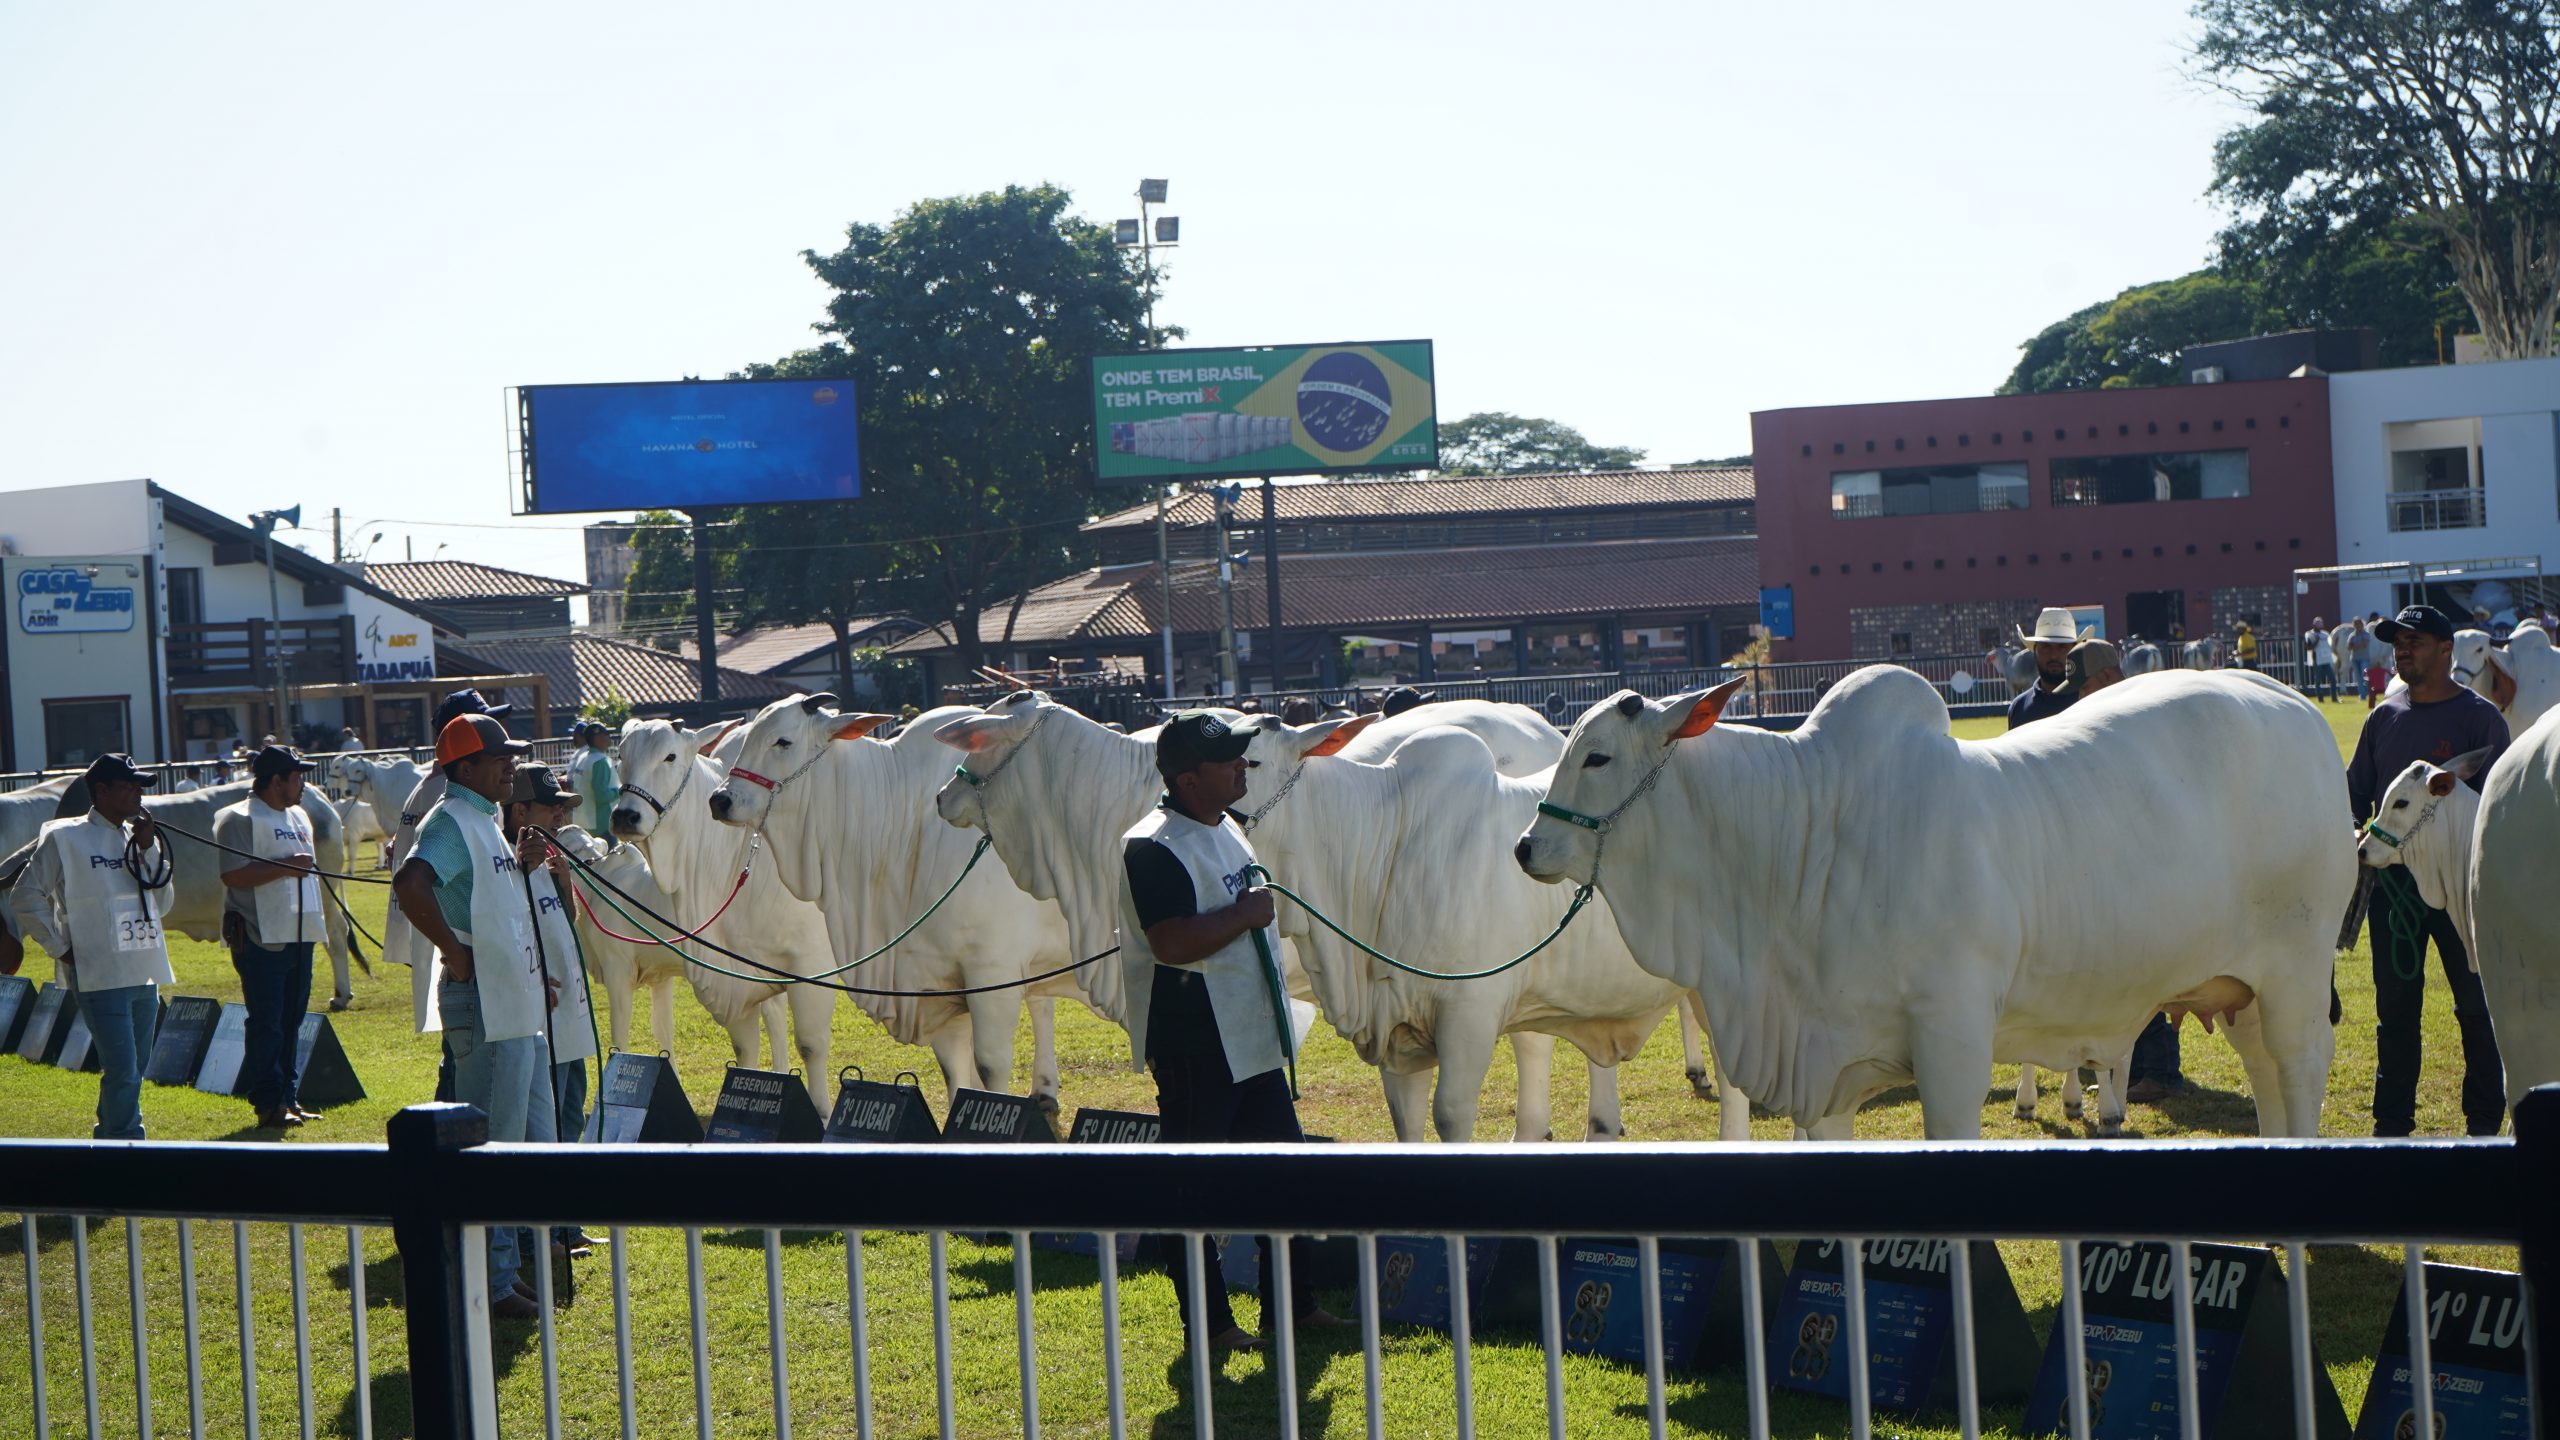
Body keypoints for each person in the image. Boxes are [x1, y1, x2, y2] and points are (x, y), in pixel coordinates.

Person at [1117, 712, 1347, 1350]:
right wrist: (1246, 914)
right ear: (1188, 779)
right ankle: (1212, 1326)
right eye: (1228, 761)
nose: (1243, 766)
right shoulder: (1152, 844)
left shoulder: (1227, 825)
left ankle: (1292, 1309)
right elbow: (1169, 943)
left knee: (1284, 1177)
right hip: (1195, 1044)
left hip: (1250, 1037)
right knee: (1191, 1190)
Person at [393, 712, 557, 1318]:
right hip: (483, 997)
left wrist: (522, 866)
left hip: (508, 995)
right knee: (490, 1141)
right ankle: (490, 1282)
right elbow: (411, 882)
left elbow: (488, 903)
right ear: (465, 768)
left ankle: (504, 1269)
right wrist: (453, 951)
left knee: (521, 1135)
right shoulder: (452, 820)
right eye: (499, 757)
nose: (511, 766)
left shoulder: (482, 819)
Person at [2346, 604, 2510, 1136]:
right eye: (2398, 642)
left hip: (2463, 888)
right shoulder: (2383, 718)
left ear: (2446, 650)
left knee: (2477, 1009)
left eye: (2414, 641)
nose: (2402, 650)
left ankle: (2483, 1126)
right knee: (2395, 1012)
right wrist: (2352, 831)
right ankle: (2391, 1127)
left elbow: (2498, 810)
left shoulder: (2482, 719)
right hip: (2395, 892)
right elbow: (2354, 796)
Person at [10, 755, 175, 1140]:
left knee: (135, 1068)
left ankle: (113, 1141)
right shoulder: (65, 837)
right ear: (101, 790)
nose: (138, 793)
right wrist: (59, 948)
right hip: (98, 973)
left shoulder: (137, 838)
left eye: (139, 787)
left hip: (143, 968)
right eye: (129, 786)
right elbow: (25, 896)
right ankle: (125, 1142)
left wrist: (149, 849)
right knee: (123, 1069)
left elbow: (163, 903)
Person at [385, 688, 515, 1050]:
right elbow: (412, 878)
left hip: (446, 937)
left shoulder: (427, 786)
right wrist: (455, 952)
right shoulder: (456, 794)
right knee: (464, 1049)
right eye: (483, 723)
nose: (495, 728)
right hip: (457, 944)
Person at [508, 761, 602, 1259]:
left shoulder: (547, 858)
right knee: (546, 1125)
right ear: (520, 810)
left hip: (570, 1014)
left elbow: (564, 923)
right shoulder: (508, 863)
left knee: (570, 1114)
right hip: (542, 1017)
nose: (561, 816)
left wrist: (564, 885)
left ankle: (567, 1224)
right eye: (551, 807)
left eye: (562, 807)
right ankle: (544, 1230)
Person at [216, 746, 328, 1129]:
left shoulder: (299, 816)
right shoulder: (237, 819)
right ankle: (268, 1103)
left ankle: (288, 1097)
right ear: (276, 781)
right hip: (260, 937)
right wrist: (285, 867)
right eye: (297, 777)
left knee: (292, 1019)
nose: (303, 784)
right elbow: (232, 874)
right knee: (267, 1022)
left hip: (300, 933)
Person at [2006, 608, 2079, 729]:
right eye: (2046, 647)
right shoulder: (2018, 708)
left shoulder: (2088, 703)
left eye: (2062, 647)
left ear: (2074, 651)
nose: (2054, 655)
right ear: (2035, 651)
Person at [566, 720, 620, 837]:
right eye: (606, 734)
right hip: (602, 824)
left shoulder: (583, 757)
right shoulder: (600, 761)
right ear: (598, 737)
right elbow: (601, 796)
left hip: (583, 822)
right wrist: (619, 791)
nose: (609, 737)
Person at [2303, 617, 2337, 702]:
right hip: (2317, 660)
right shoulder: (2310, 634)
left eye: (2321, 623)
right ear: (2314, 624)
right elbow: (2308, 647)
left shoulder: (2325, 634)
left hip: (2327, 660)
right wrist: (2316, 641)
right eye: (2317, 623)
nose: (2319, 625)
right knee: (2318, 681)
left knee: (2333, 679)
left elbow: (2330, 646)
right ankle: (2320, 699)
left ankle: (2334, 698)